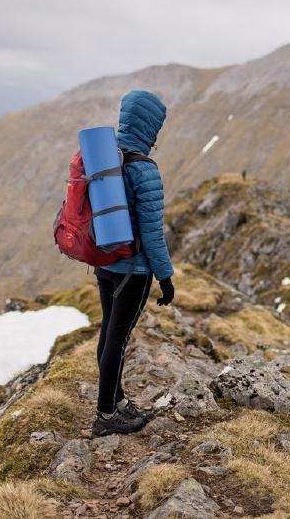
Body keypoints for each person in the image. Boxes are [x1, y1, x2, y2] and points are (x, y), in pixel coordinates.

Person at [92, 90, 175, 437]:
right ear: (150, 127)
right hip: (134, 270)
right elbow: (153, 233)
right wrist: (166, 277)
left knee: (108, 333)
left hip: (105, 263)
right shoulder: (144, 170)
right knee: (118, 340)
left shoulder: (104, 160)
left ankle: (117, 401)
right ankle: (107, 416)